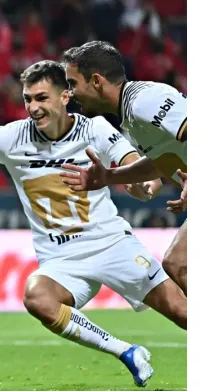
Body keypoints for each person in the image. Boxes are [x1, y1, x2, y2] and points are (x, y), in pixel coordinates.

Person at [0, 60, 186, 387]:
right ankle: (126, 352)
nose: (33, 107)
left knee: (185, 313)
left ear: (66, 95)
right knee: (38, 297)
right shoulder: (12, 137)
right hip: (61, 260)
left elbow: (134, 168)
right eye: (28, 99)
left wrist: (144, 188)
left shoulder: (95, 128)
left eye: (41, 98)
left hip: (113, 245)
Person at [59, 40, 187, 295]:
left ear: (96, 81)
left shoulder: (144, 101)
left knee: (180, 263)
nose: (70, 93)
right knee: (178, 264)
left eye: (73, 83)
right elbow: (162, 162)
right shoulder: (129, 118)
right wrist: (109, 176)